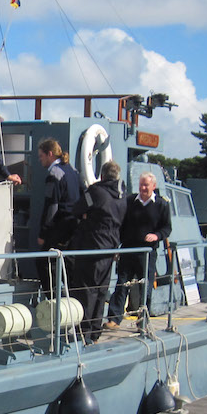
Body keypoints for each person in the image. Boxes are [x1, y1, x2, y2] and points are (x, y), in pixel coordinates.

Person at [105, 171, 171, 327]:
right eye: (141, 184)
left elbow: (167, 228)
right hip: (128, 250)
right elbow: (120, 226)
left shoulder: (162, 205)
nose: (143, 188)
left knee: (145, 287)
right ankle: (114, 319)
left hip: (147, 253)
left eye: (146, 185)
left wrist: (157, 236)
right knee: (122, 284)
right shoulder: (130, 201)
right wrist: (116, 247)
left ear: (153, 186)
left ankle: (143, 321)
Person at [69, 159, 125, 342]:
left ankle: (82, 332)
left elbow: (77, 209)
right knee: (101, 291)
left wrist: (86, 216)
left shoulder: (96, 191)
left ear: (102, 175)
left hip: (91, 247)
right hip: (110, 249)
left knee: (85, 290)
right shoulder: (122, 195)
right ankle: (94, 331)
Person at [35, 138, 81, 293]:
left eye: (41, 156)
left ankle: (53, 299)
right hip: (74, 226)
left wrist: (43, 232)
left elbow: (51, 206)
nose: (40, 160)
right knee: (67, 264)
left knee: (43, 261)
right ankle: (71, 297)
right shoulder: (72, 171)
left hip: (61, 226)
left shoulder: (54, 174)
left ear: (49, 154)